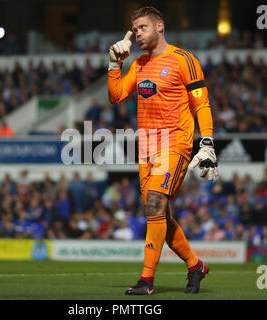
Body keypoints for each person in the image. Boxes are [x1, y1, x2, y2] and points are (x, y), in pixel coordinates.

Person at [108, 6, 218, 295]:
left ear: (159, 26)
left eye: (142, 28)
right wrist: (113, 64)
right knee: (159, 215)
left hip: (176, 143)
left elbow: (201, 104)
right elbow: (116, 95)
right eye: (134, 29)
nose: (137, 34)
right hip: (147, 148)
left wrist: (206, 142)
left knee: (155, 202)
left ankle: (146, 280)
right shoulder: (140, 64)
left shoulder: (184, 60)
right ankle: (195, 266)